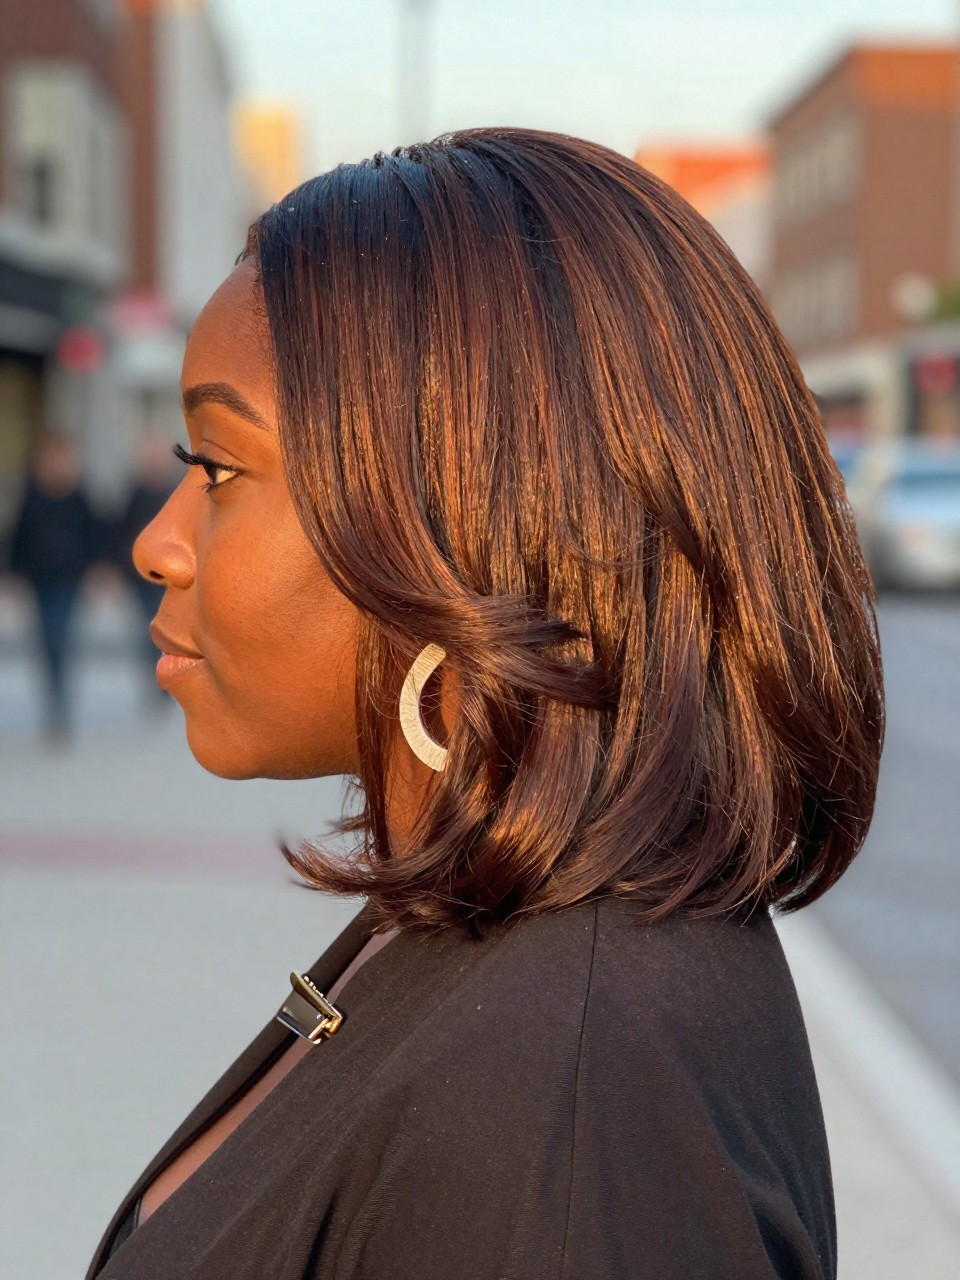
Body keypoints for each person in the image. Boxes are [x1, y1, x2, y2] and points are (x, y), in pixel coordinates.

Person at [85, 128, 884, 1279]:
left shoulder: (575, 1090)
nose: (159, 543)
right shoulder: (498, 923)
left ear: (462, 529)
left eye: (217, 468)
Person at [9, 431, 101, 742]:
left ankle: (61, 702)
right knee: (45, 639)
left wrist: (95, 570)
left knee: (60, 635)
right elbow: (18, 536)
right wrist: (12, 571)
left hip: (69, 578)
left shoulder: (77, 495)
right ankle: (53, 699)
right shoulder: (32, 493)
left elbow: (91, 535)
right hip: (39, 579)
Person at [107, 430, 178, 708]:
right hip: (142, 578)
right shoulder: (134, 493)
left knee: (171, 631)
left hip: (172, 578)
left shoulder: (175, 491)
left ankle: (168, 680)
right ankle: (157, 680)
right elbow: (121, 534)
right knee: (149, 631)